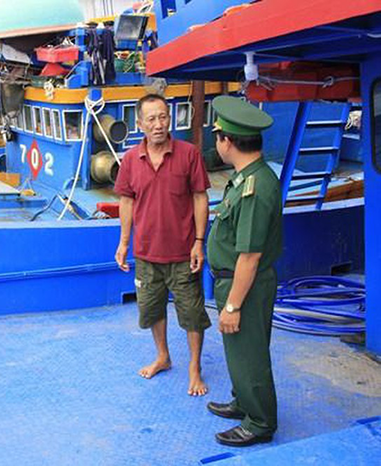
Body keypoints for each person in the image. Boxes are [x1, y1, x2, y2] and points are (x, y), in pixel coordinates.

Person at [114, 93, 211, 396]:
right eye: (151, 119)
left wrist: (199, 241)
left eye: (163, 117)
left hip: (183, 252)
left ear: (170, 119)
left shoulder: (188, 154)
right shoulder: (131, 159)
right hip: (146, 253)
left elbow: (200, 197)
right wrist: (124, 243)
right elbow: (126, 201)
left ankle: (194, 368)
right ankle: (163, 356)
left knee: (192, 313)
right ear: (140, 124)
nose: (158, 124)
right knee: (152, 308)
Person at [206, 95, 282, 446]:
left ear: (228, 141)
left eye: (218, 136)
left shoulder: (254, 187)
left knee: (250, 354)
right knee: (239, 351)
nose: (217, 142)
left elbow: (249, 256)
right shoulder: (246, 178)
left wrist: (233, 305)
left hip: (244, 285)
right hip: (235, 281)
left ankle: (260, 422)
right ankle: (244, 402)